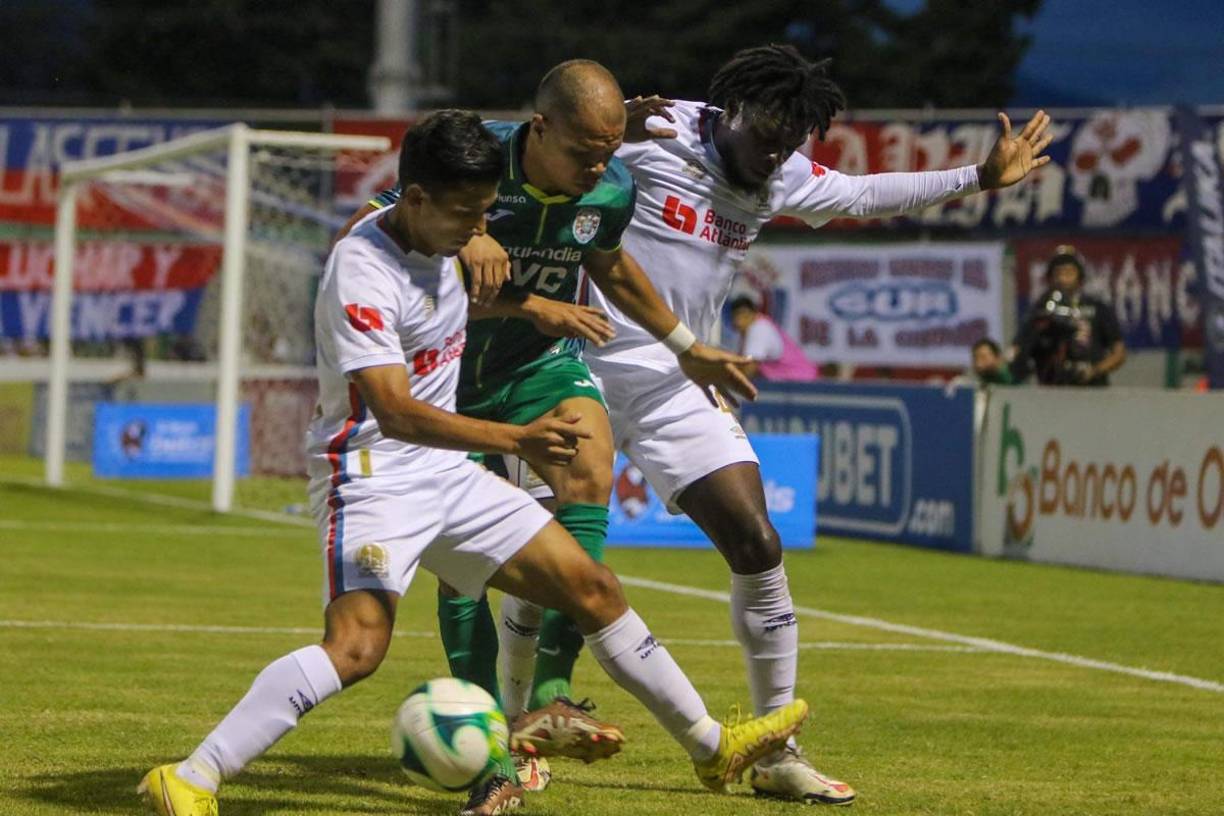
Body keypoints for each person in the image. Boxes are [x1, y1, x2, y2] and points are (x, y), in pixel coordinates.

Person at [138, 110, 807, 816]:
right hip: (372, 476)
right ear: (416, 199)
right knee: (358, 647)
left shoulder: (452, 238)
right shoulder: (361, 269)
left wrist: (531, 304)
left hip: (445, 471)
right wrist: (516, 441)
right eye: (465, 214)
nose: (476, 228)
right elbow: (394, 410)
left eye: (485, 212)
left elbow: (462, 290)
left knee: (594, 590)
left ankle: (712, 750)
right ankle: (190, 776)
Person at [489, 44, 1052, 806]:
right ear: (733, 113)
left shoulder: (778, 168)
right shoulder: (653, 135)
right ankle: (515, 725)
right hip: (571, 364)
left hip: (678, 377)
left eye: (789, 146)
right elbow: (538, 145)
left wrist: (977, 177)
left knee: (758, 543)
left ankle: (775, 749)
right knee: (551, 566)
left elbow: (861, 193)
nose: (775, 159)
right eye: (766, 140)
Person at [344, 59, 759, 800]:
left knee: (590, 464)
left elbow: (612, 264)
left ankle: (555, 689)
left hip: (541, 364)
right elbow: (378, 225)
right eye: (583, 151)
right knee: (464, 560)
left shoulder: (612, 185)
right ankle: (496, 739)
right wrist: (472, 236)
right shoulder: (475, 159)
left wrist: (688, 348)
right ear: (540, 128)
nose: (598, 166)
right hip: (452, 371)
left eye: (608, 150)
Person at [1011, 245, 1126, 386]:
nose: (1063, 278)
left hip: (1093, 389)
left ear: (1079, 275)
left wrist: (1094, 371)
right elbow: (1018, 348)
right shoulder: (1041, 308)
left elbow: (1119, 353)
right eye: (1058, 273)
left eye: (1068, 272)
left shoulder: (1097, 307)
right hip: (1052, 389)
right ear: (1051, 277)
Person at [728, 294, 819, 381]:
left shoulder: (759, 328)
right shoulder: (747, 332)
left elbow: (748, 371)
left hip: (801, 384)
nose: (738, 321)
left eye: (743, 315)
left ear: (754, 314)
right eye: (736, 316)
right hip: (790, 384)